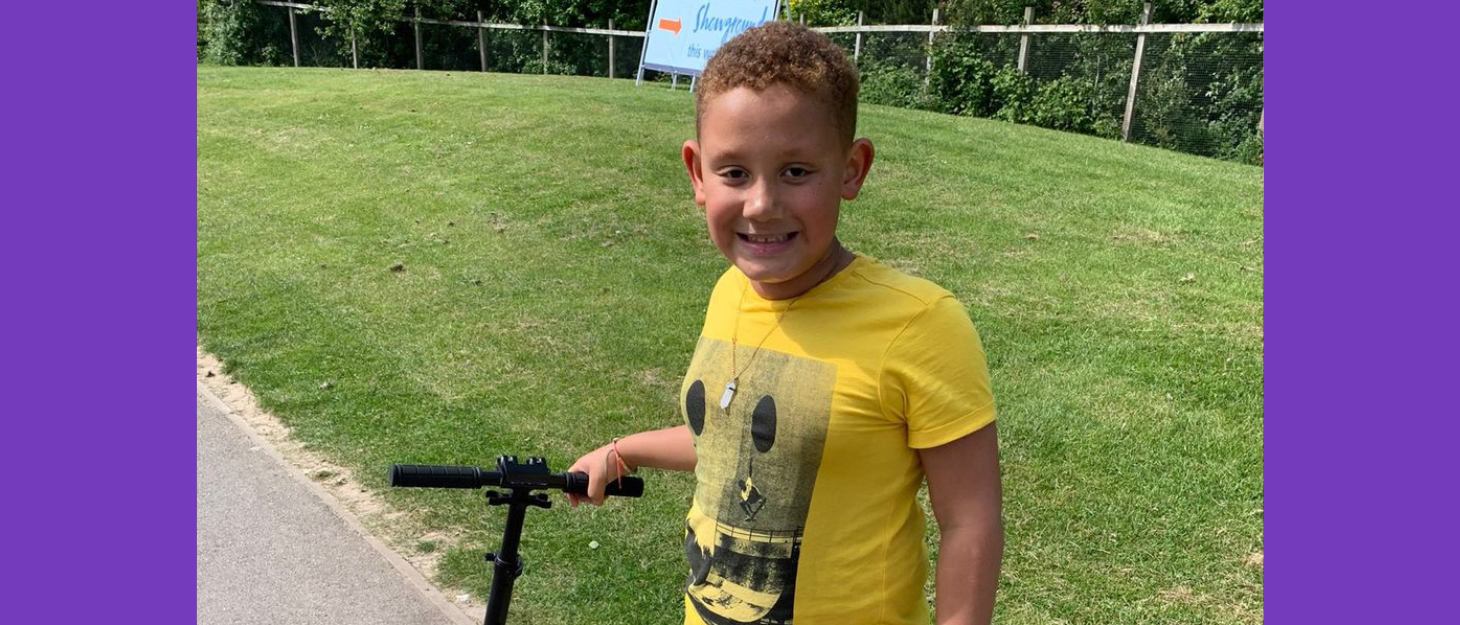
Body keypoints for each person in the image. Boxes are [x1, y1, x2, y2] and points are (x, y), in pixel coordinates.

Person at [568, 21, 1002, 625]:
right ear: (697, 173)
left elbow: (970, 520)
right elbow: (729, 438)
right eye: (734, 172)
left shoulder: (920, 324)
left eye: (796, 171)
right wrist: (622, 452)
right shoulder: (730, 292)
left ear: (852, 169)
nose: (762, 205)